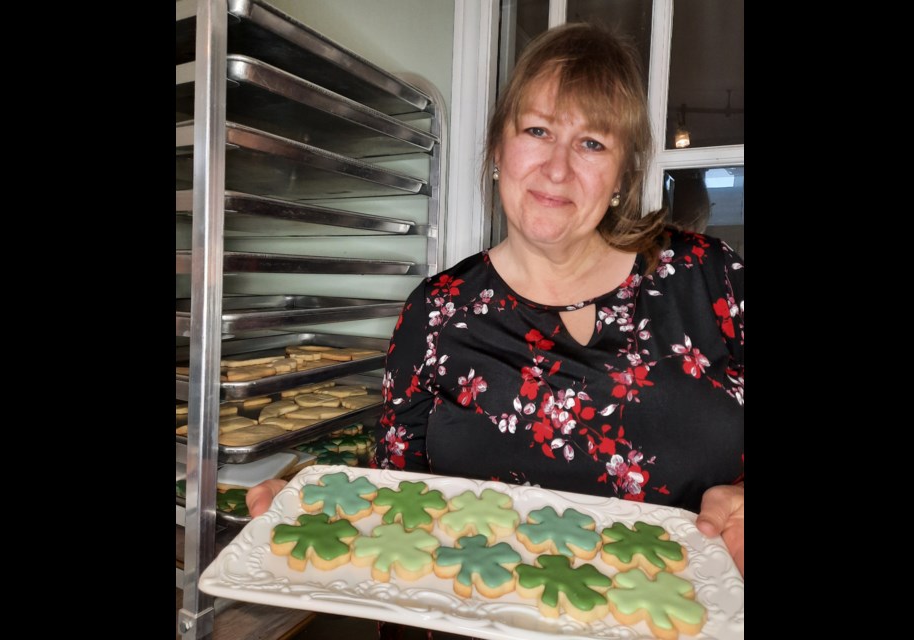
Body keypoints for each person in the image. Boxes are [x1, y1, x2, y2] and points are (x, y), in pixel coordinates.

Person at [248, 23, 744, 578]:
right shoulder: (437, 313)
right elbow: (398, 488)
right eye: (537, 130)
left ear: (622, 176)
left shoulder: (710, 278)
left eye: (592, 143)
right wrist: (311, 501)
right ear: (497, 149)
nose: (557, 168)